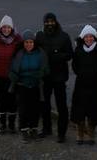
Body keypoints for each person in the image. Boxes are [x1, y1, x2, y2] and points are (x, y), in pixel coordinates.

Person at [36, 12, 73, 143]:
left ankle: (61, 133)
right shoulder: (39, 36)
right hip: (45, 77)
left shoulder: (64, 36)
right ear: (44, 23)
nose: (49, 24)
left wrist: (56, 55)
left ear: (56, 22)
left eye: (52, 21)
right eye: (47, 22)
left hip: (60, 77)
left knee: (61, 106)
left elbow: (69, 54)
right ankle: (47, 129)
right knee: (44, 104)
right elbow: (33, 51)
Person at [70, 25, 97, 145]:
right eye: (86, 37)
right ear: (83, 38)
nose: (89, 39)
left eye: (91, 36)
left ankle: (91, 135)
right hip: (80, 83)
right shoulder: (79, 49)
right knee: (79, 109)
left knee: (93, 109)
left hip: (95, 83)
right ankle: (80, 135)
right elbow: (74, 64)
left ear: (94, 37)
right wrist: (79, 73)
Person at [9, 30, 49, 143]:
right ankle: (24, 130)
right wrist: (14, 77)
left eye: (31, 42)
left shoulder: (40, 53)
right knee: (23, 109)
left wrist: (41, 73)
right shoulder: (19, 53)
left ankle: (34, 129)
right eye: (26, 42)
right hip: (22, 85)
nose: (29, 44)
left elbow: (46, 68)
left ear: (34, 42)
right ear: (23, 43)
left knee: (35, 109)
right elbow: (12, 69)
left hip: (36, 85)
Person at [0, 15, 23, 134]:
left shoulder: (18, 39)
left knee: (13, 100)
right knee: (1, 99)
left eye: (8, 27)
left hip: (12, 75)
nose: (6, 29)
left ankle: (11, 125)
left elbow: (23, 54)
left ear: (12, 28)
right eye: (4, 27)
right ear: (0, 28)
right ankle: (2, 124)